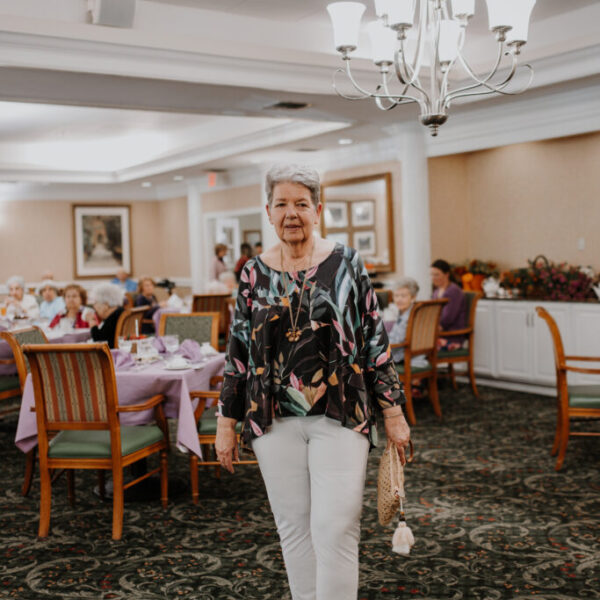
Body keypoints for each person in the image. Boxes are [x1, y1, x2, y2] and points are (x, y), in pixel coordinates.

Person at [216, 164, 410, 600]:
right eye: (281, 204)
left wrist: (394, 413)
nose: (291, 213)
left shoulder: (347, 263)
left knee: (336, 526)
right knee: (294, 529)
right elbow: (238, 352)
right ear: (268, 212)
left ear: (318, 210)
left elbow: (374, 339)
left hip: (341, 415)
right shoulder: (252, 273)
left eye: (301, 204)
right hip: (272, 420)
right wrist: (226, 423)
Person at [388, 277, 428, 369]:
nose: (399, 299)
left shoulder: (408, 317)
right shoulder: (406, 311)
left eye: (403, 296)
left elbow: (399, 341)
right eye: (396, 296)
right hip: (407, 353)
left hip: (404, 357)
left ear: (413, 297)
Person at [431, 258, 467, 348]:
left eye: (436, 275)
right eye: (432, 275)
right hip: (439, 334)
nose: (433, 278)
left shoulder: (453, 291)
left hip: (452, 337)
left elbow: (447, 319)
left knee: (418, 347)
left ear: (446, 275)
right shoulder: (436, 292)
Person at [86, 283, 125, 348]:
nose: (94, 306)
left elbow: (99, 341)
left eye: (96, 302)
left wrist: (92, 323)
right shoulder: (121, 311)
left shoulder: (113, 318)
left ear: (106, 304)